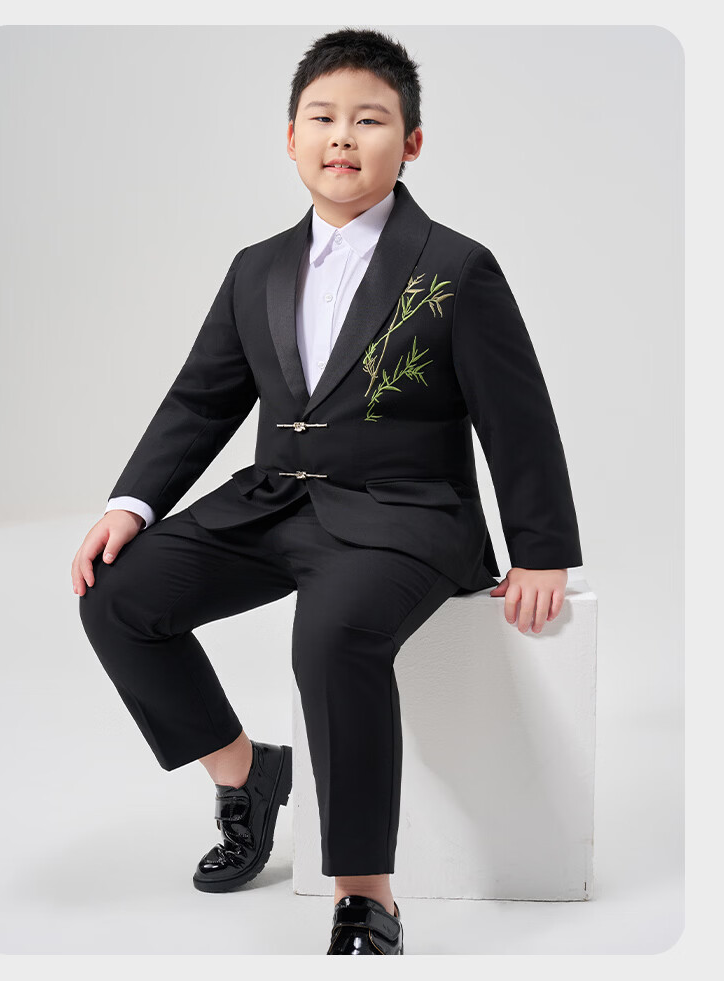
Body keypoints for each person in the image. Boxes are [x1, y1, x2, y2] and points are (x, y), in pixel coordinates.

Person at [73, 28, 583, 955]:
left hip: (407, 513)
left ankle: (365, 895)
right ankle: (246, 776)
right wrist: (130, 504)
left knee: (332, 633)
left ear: (411, 143)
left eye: (370, 120)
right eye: (322, 117)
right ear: (291, 138)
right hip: (273, 500)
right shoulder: (256, 267)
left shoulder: (456, 267)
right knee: (116, 596)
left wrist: (542, 550)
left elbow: (517, 416)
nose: (342, 135)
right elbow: (201, 399)